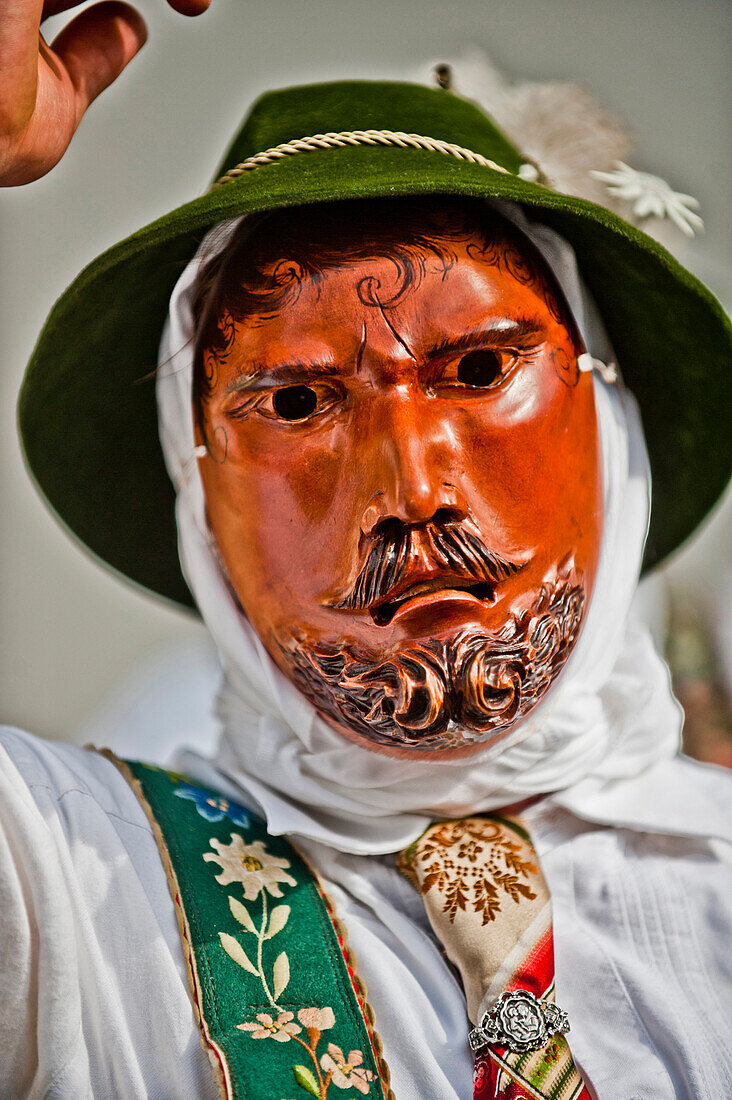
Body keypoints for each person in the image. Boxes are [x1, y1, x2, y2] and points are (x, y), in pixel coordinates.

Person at [2, 4, 731, 1098]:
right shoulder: (70, 891)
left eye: (479, 372)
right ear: (199, 494)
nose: (410, 488)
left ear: (605, 414)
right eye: (297, 400)